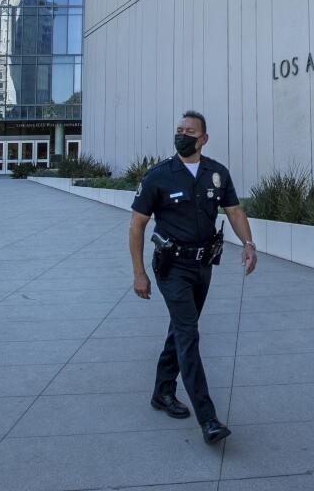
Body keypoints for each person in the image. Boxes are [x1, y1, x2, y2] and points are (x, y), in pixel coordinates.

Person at [129, 110, 257, 445]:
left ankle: (162, 392)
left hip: (203, 266)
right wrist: (139, 272)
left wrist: (248, 243)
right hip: (170, 267)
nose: (182, 135)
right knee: (188, 333)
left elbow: (234, 211)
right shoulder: (158, 175)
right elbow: (137, 225)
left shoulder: (217, 172)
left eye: (189, 131)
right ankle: (208, 418)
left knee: (181, 329)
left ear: (203, 138)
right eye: (178, 130)